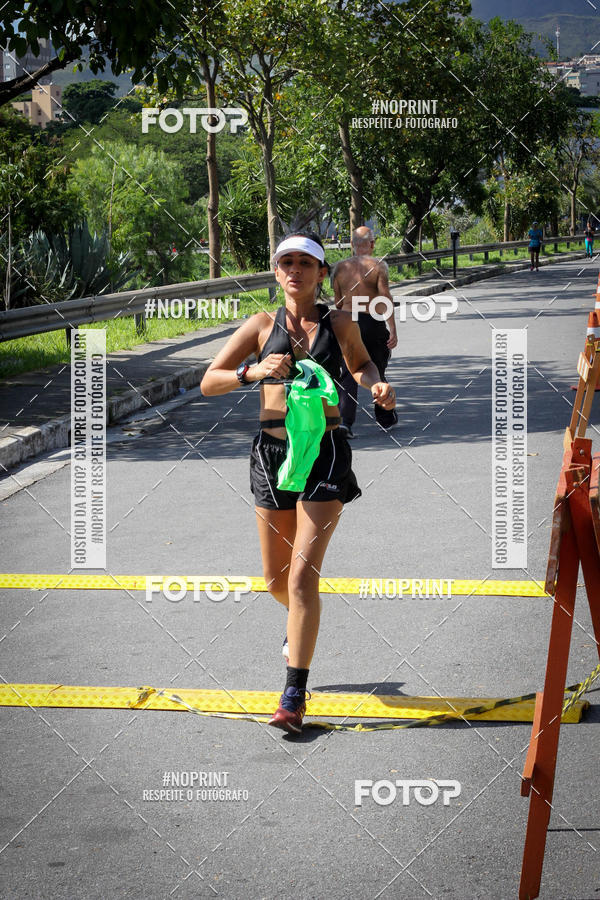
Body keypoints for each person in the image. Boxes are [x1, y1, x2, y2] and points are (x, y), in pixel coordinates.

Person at [200, 232, 396, 733]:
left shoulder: (339, 322)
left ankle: (293, 694)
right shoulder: (261, 325)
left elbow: (359, 362)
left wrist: (374, 383)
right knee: (275, 582)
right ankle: (298, 625)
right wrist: (252, 371)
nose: (295, 270)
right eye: (286, 261)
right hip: (272, 454)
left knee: (302, 578)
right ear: (275, 271)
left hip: (326, 453)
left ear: (320, 272)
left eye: (305, 263)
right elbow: (209, 381)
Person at [331, 226, 398, 436]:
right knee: (376, 368)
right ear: (372, 244)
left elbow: (338, 302)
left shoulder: (339, 268)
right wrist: (393, 328)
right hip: (372, 322)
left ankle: (344, 422)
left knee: (349, 371)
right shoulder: (378, 265)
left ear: (352, 244)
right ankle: (385, 416)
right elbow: (384, 298)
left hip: (347, 321)